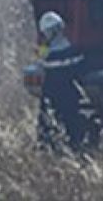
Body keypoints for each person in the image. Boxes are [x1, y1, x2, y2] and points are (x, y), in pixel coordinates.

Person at [24, 11, 92, 150]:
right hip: (69, 95)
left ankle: (48, 148)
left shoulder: (48, 54)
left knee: (47, 124)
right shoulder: (72, 51)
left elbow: (40, 58)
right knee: (71, 124)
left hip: (52, 96)